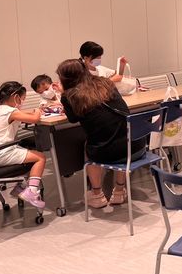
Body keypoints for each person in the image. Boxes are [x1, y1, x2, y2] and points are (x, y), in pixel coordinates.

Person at [57, 59, 145, 208]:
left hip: (107, 153)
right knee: (121, 135)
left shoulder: (69, 95)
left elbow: (72, 119)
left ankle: (97, 195)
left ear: (65, 78)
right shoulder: (106, 83)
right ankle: (119, 191)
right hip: (136, 146)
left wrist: (63, 93)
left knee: (90, 143)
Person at [0, 81, 46, 209]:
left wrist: (33, 112)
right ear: (16, 97)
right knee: (40, 157)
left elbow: (22, 114)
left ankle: (20, 188)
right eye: (22, 98)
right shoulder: (11, 112)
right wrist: (38, 110)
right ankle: (31, 192)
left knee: (27, 152)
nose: (22, 102)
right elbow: (35, 119)